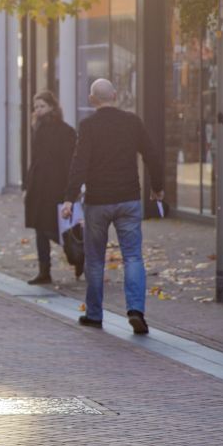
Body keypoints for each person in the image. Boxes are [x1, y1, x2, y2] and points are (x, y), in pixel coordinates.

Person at [62, 78, 164, 334]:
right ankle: (136, 310)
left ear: (92, 99)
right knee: (133, 256)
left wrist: (69, 198)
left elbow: (79, 163)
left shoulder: (88, 126)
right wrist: (157, 187)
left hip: (98, 201)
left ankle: (94, 314)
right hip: (128, 198)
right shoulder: (132, 122)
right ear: (115, 96)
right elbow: (151, 154)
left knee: (95, 260)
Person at [24, 91, 77, 285]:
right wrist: (27, 185)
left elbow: (69, 162)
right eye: (36, 107)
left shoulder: (66, 131)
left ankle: (77, 256)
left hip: (56, 186)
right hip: (38, 186)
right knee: (40, 228)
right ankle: (44, 270)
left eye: (42, 106)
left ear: (52, 107)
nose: (38, 110)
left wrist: (70, 189)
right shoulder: (37, 128)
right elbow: (35, 160)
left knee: (55, 228)